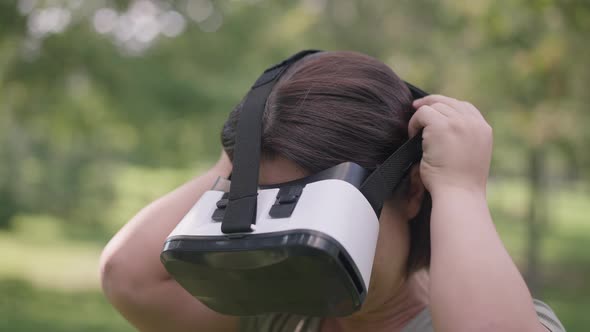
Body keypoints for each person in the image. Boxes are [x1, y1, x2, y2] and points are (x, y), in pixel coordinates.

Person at [99, 51, 565, 332]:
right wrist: (248, 140)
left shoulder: (495, 314)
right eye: (269, 206)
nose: (288, 244)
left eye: (317, 210)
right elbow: (129, 277)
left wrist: (460, 188)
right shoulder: (280, 313)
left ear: (413, 193)